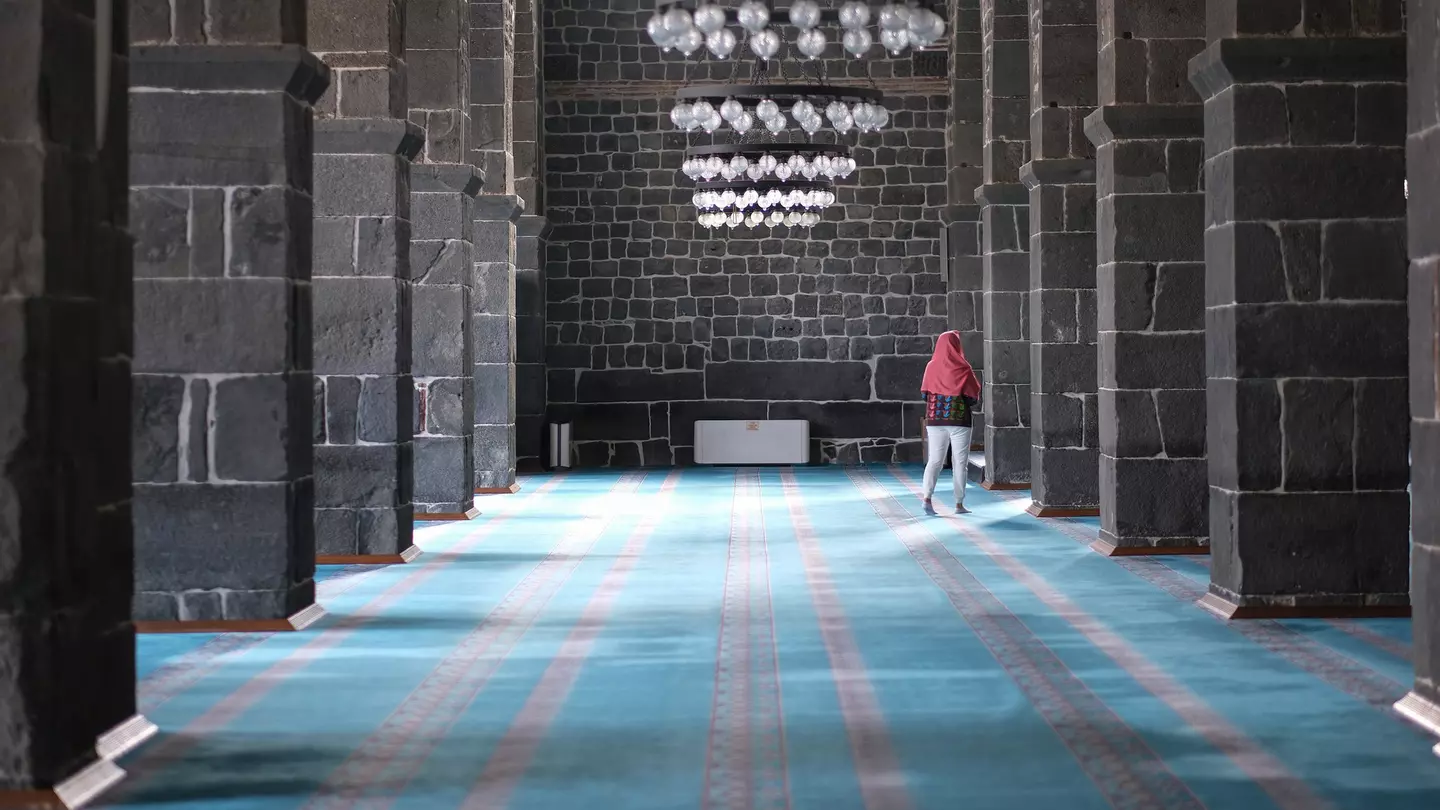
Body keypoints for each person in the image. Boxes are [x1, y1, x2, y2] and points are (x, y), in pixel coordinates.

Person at [919, 330, 981, 514]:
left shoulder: (931, 366)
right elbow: (973, 397)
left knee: (934, 461)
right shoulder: (964, 368)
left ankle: (927, 499)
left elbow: (924, 394)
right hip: (959, 421)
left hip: (935, 420)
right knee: (960, 463)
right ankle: (959, 504)